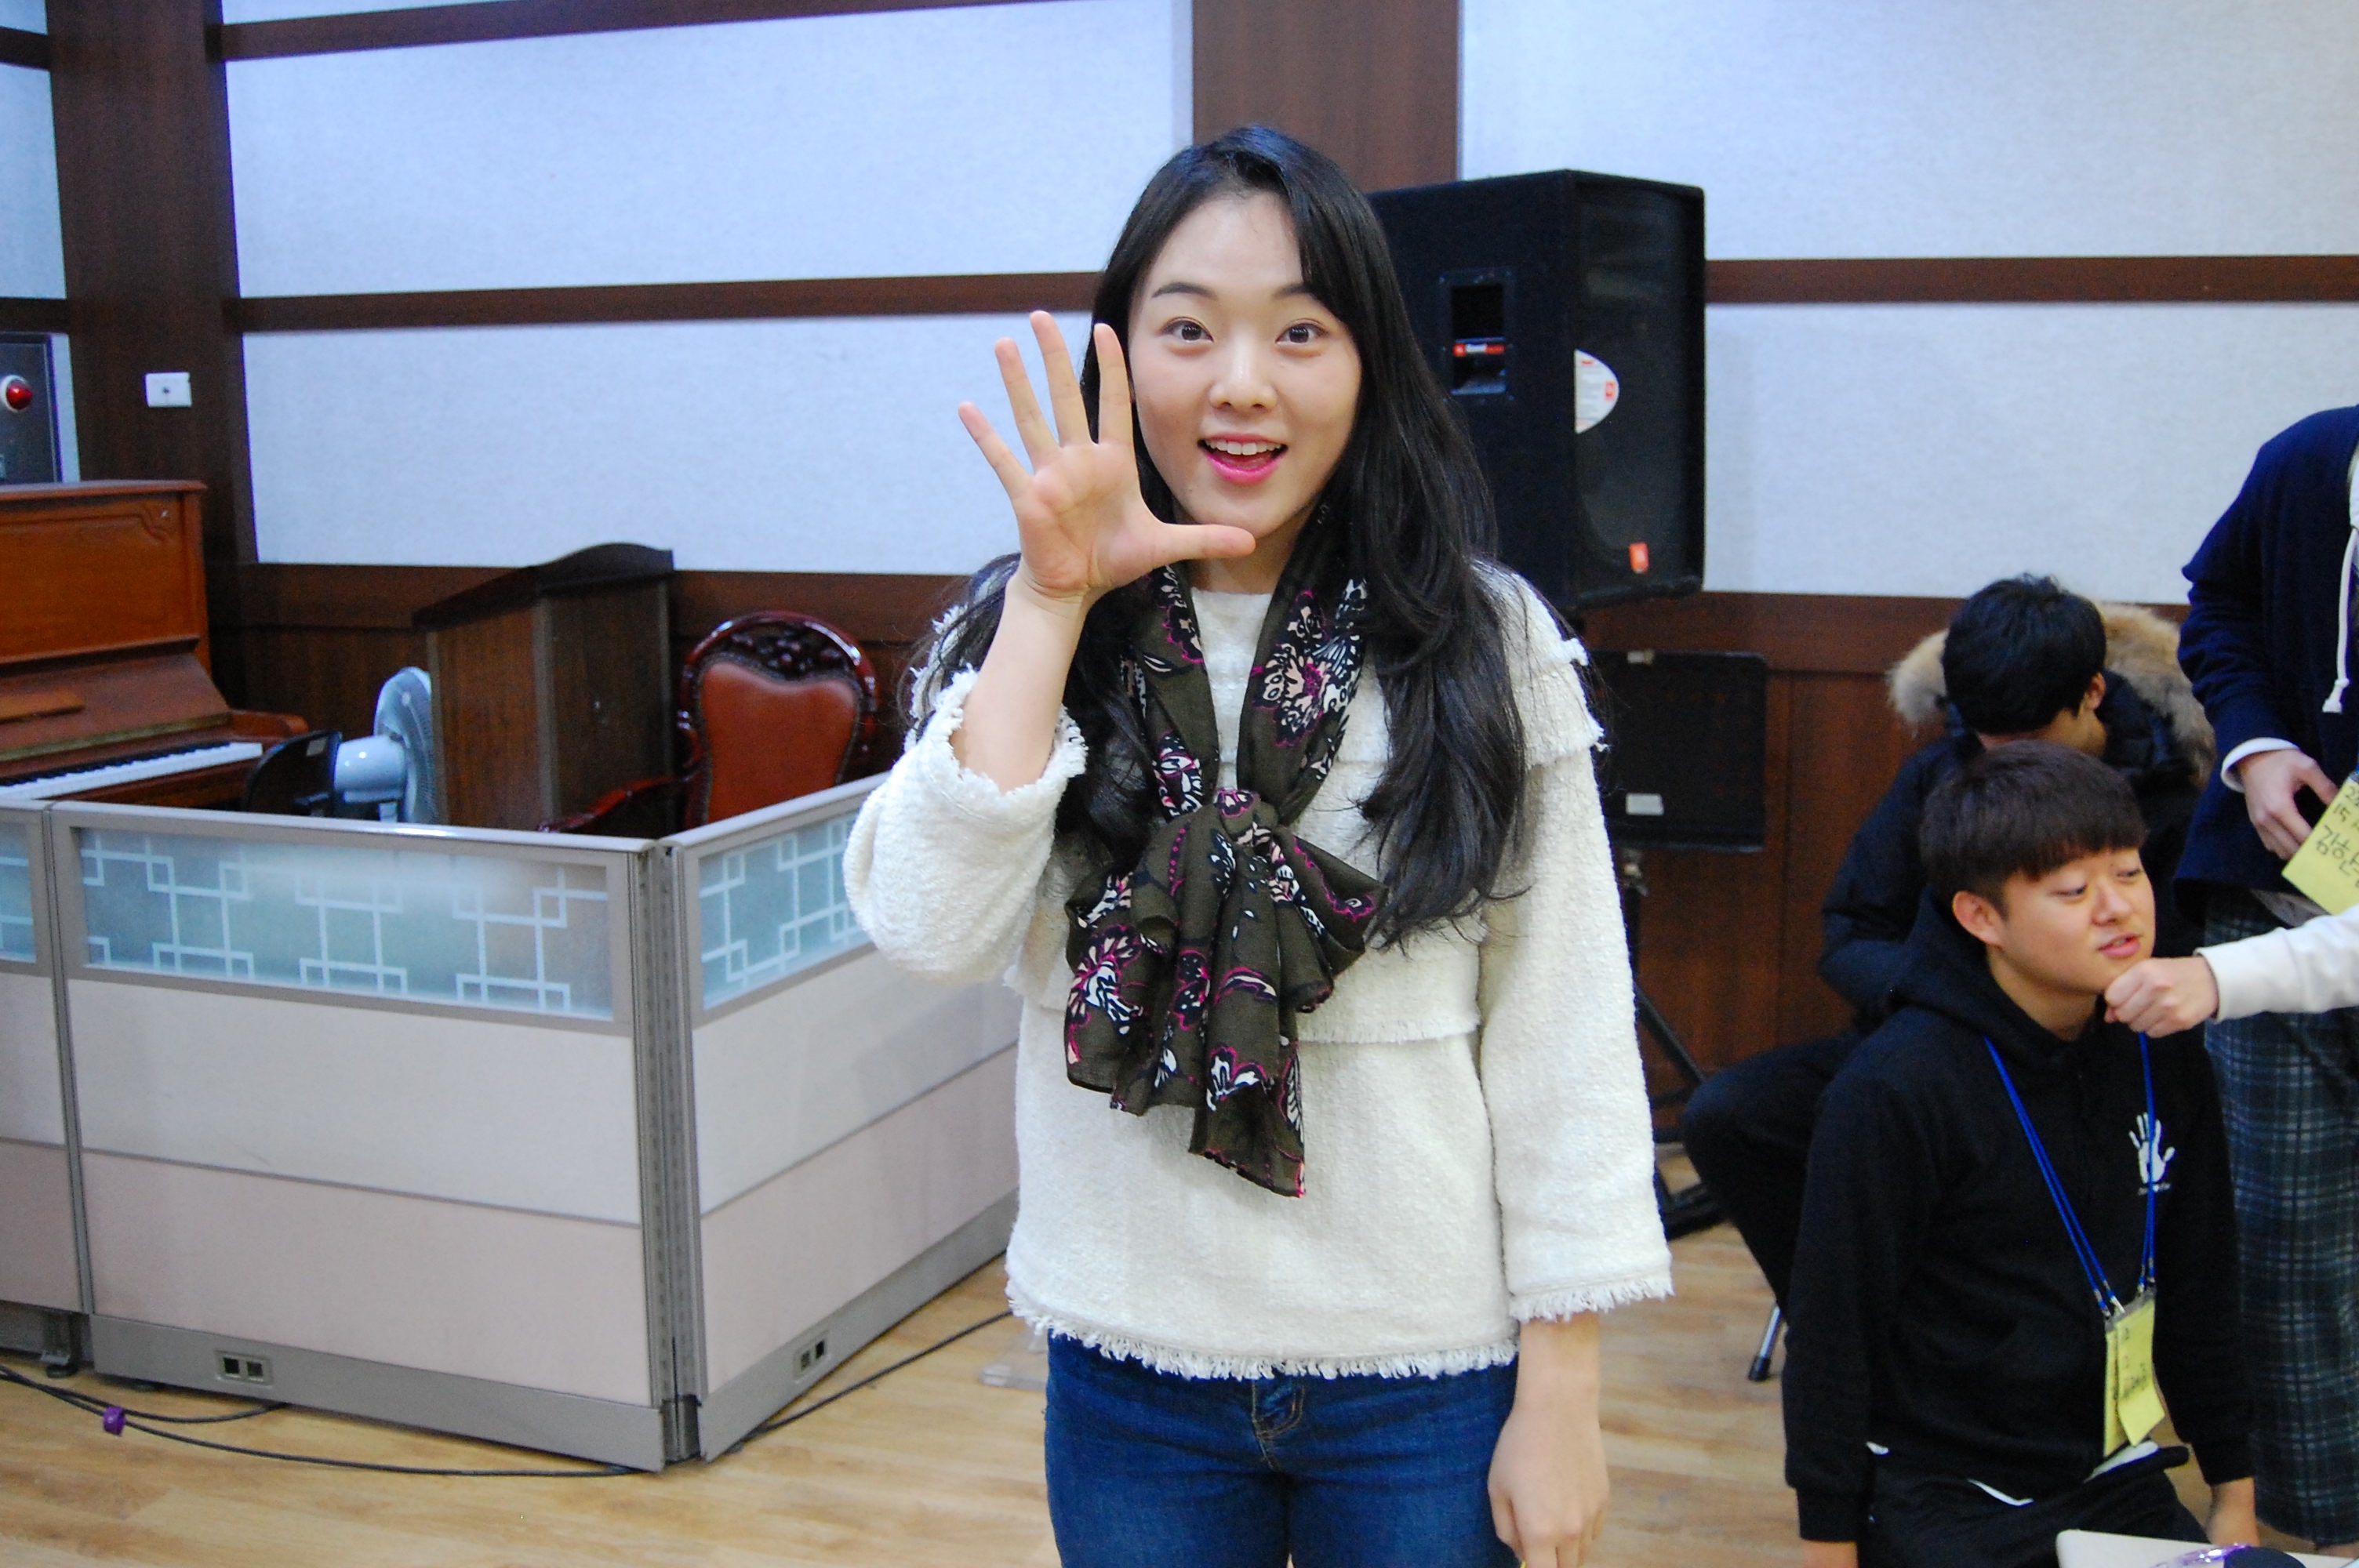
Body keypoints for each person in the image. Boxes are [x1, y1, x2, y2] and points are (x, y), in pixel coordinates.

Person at [843, 127, 1670, 1568]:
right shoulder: (1022, 632)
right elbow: (926, 930)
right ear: (1118, 356)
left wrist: (1564, 1394)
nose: (1242, 382)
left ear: (1370, 364)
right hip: (1129, 1363)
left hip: (1423, 1371)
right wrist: (1048, 604)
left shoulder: (1481, 639)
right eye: (1188, 330)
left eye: (1300, 331)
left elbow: (1565, 1030)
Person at [1782, 742, 2255, 1568]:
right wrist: (1828, 1547)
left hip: (2110, 1471)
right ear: (1981, 917)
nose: (2117, 908)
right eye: (2072, 890)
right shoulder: (1895, 1087)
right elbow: (1831, 1337)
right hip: (1946, 1490)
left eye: (2128, 871)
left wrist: (2233, 1495)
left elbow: (2201, 1277)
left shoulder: (2159, 1037)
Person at [1680, 576, 2209, 1307]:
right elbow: (1852, 930)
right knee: (1730, 1115)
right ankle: (1850, 1313)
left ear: (2093, 693)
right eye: (1989, 735)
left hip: (2094, 1060)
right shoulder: (1940, 773)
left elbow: (2172, 969)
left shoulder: (2169, 797)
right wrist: (1935, 1008)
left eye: (2029, 736)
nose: (2006, 756)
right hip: (1933, 1042)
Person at [2171, 401, 2359, 1549]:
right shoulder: (2309, 457)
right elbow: (2219, 605)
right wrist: (2255, 745)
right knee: (2284, 1235)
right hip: (2273, 890)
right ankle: (2318, 1518)